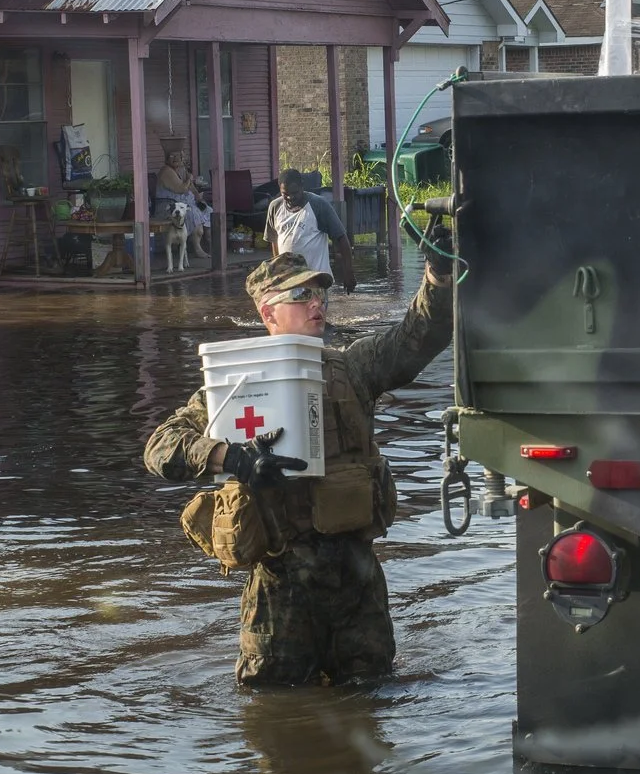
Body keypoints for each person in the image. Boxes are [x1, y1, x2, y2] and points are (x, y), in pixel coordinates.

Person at [143, 227, 456, 687]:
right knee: (275, 712)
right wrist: (231, 458)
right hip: (279, 587)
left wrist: (439, 275)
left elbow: (417, 337)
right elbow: (160, 447)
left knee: (373, 703)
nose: (318, 304)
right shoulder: (231, 387)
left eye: (320, 295)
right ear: (268, 311)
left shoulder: (352, 368)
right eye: (301, 295)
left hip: (356, 580)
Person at [262, 167, 355, 292]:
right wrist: (278, 271)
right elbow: (274, 240)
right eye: (285, 194)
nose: (290, 198)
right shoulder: (275, 207)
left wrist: (348, 273)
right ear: (280, 190)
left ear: (302, 187)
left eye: (295, 193)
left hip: (316, 281)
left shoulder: (318, 205)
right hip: (289, 282)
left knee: (312, 308)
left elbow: (341, 238)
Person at [155, 147, 210, 256]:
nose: (176, 158)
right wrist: (189, 179)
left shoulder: (181, 170)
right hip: (168, 207)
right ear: (166, 158)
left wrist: (198, 197)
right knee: (193, 213)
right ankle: (197, 248)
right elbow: (181, 189)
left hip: (181, 204)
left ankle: (211, 244)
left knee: (208, 210)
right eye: (172, 156)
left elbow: (191, 188)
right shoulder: (166, 171)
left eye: (179, 156)